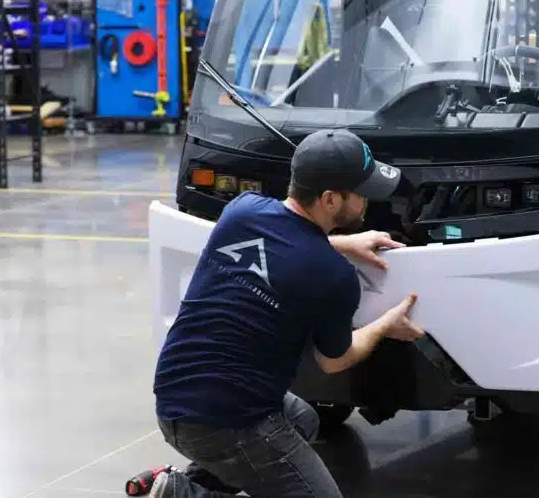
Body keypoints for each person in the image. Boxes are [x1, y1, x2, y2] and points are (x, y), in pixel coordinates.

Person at [142, 128, 424, 498]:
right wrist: (386, 325)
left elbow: (286, 245)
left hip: (174, 399)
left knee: (303, 420)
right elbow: (335, 361)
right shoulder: (332, 275)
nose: (366, 202)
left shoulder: (241, 211)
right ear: (329, 199)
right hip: (229, 422)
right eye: (360, 193)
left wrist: (340, 244)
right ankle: (183, 496)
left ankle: (186, 483)